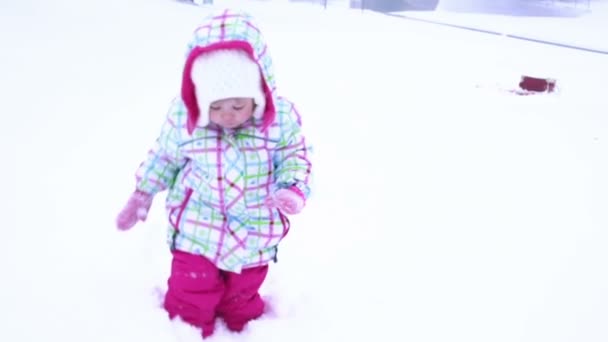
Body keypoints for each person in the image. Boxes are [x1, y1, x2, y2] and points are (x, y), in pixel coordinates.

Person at [115, 8, 312, 339]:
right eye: (215, 106)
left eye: (237, 106)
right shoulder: (185, 118)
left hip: (254, 230)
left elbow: (294, 154)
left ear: (259, 92)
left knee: (242, 299)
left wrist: (291, 187)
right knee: (190, 294)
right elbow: (165, 155)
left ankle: (242, 326)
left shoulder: (279, 120)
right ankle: (187, 330)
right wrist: (143, 192)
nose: (227, 116)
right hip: (198, 226)